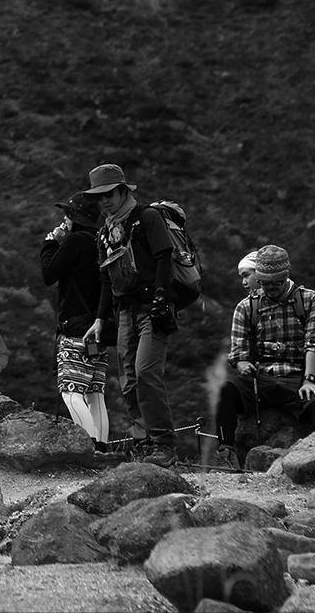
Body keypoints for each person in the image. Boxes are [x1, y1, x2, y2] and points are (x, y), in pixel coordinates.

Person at [83, 163, 184, 467]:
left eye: (109, 194)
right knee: (128, 380)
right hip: (125, 309)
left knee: (145, 372)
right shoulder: (105, 232)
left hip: (153, 306)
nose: (104, 201)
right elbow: (106, 280)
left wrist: (162, 298)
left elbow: (164, 257)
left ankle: (164, 444)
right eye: (98, 197)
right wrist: (100, 319)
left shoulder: (147, 217)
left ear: (123, 191)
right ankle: (144, 443)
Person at [201, 245, 315, 470]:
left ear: (285, 276)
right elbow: (238, 352)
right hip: (259, 378)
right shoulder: (246, 307)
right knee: (226, 392)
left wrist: (309, 380)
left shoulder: (311, 300)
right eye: (264, 283)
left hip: (298, 376)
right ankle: (226, 454)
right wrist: (243, 365)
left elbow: (313, 343)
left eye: (275, 283)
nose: (269, 288)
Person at [41, 192, 113, 444]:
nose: (64, 220)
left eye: (67, 215)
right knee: (95, 393)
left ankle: (89, 445)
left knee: (71, 392)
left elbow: (49, 274)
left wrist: (51, 243)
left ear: (76, 218)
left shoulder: (75, 241)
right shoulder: (101, 241)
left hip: (76, 328)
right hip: (99, 328)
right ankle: (102, 446)